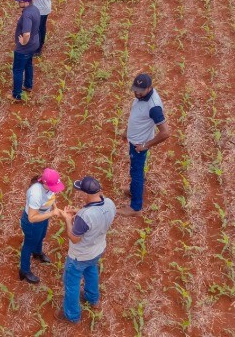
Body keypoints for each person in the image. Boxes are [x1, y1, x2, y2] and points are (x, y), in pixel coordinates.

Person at [55, 176, 116, 324]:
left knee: (72, 283)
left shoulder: (84, 217)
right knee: (91, 271)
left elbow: (74, 238)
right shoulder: (109, 203)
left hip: (79, 256)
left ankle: (72, 315)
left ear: (86, 194)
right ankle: (92, 299)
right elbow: (95, 211)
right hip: (98, 249)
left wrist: (68, 220)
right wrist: (78, 211)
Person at [119, 73, 171, 217]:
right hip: (135, 139)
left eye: (140, 91)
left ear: (149, 88)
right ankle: (135, 189)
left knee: (135, 172)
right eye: (135, 89)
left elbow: (165, 133)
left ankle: (135, 207)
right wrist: (126, 132)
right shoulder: (141, 97)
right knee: (136, 170)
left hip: (138, 144)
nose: (136, 93)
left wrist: (145, 145)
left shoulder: (154, 107)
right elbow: (135, 116)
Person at [19, 169, 64, 284]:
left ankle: (37, 253)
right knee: (29, 244)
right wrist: (52, 213)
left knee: (41, 236)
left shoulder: (48, 187)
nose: (55, 189)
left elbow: (51, 196)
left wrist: (54, 207)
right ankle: (24, 270)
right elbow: (32, 217)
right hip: (32, 223)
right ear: (44, 183)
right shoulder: (36, 194)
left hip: (43, 218)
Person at [11, 0, 41, 102]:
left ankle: (17, 95)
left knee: (17, 70)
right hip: (34, 43)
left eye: (20, 1)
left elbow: (27, 33)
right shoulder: (35, 9)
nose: (18, 2)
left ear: (26, 2)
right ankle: (28, 85)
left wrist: (23, 42)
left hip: (25, 47)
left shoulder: (27, 14)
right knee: (28, 64)